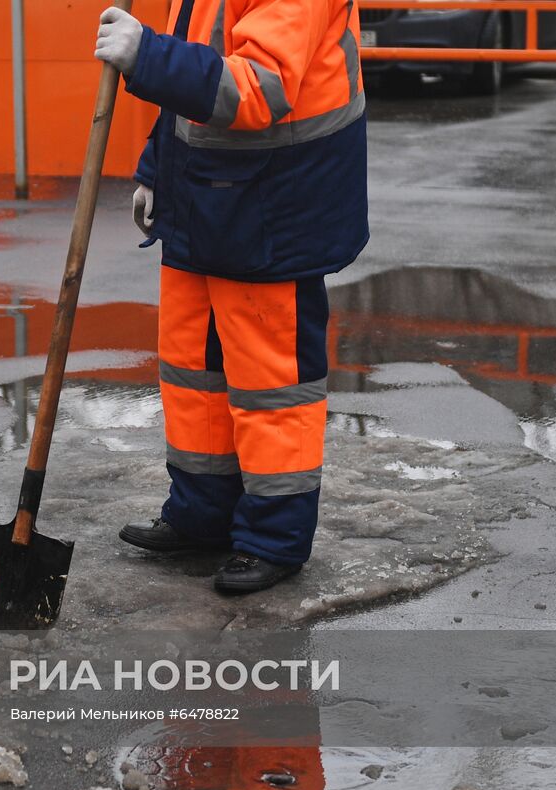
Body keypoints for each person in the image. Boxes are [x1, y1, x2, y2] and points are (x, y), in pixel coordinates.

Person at [94, 0, 368, 593]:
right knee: (196, 369)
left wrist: (147, 53)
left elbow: (258, 89)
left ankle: (274, 540)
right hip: (203, 196)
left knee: (272, 385)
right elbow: (192, 85)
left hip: (274, 206)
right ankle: (202, 515)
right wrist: (154, 169)